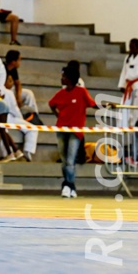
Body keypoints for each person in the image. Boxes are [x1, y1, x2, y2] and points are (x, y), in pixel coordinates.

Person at [49, 62, 97, 198]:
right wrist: (58, 115)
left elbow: (92, 104)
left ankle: (67, 185)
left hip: (75, 132)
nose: (61, 78)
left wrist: (106, 107)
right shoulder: (61, 93)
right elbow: (51, 104)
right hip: (61, 130)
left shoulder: (81, 92)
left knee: (70, 160)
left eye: (63, 76)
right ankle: (71, 186)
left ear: (69, 78)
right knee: (64, 161)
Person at [0, 74, 37, 162]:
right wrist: (21, 119)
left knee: (32, 128)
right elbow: (15, 109)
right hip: (7, 118)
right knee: (3, 130)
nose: (11, 84)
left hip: (8, 118)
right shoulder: (8, 93)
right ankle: (25, 151)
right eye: (10, 81)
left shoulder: (1, 91)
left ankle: (23, 152)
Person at [4, 50, 40, 120]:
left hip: (11, 90)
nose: (20, 62)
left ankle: (33, 116)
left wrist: (18, 96)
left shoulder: (13, 69)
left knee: (28, 93)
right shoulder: (2, 68)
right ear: (13, 62)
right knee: (10, 93)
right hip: (2, 91)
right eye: (19, 60)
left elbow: (18, 83)